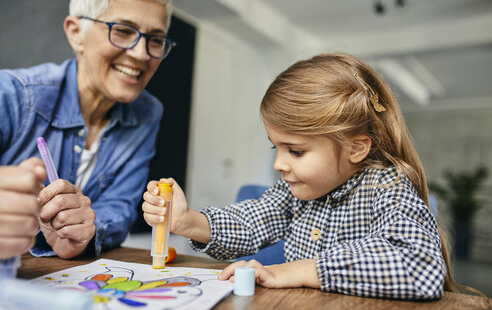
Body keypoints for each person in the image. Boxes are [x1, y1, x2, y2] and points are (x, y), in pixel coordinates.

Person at [142, 52, 462, 300]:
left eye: (295, 151)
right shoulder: (295, 191)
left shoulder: (388, 188)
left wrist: (294, 271)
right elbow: (252, 222)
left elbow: (420, 267)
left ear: (356, 148)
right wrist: (186, 221)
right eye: (275, 149)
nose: (279, 164)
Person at [0, 0, 175, 259]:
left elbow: (119, 207)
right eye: (122, 31)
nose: (141, 54)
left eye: (155, 39)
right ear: (75, 33)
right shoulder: (12, 95)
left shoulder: (146, 114)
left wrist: (85, 234)